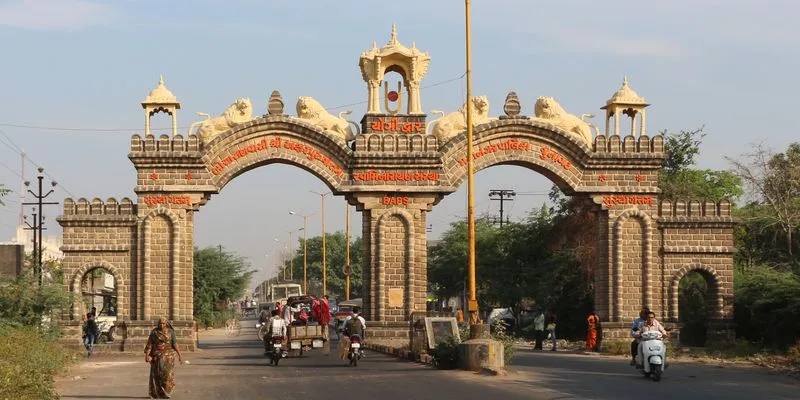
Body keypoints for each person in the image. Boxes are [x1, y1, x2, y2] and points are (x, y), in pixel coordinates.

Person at [144, 317, 183, 399]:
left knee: (167, 375)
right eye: (160, 323)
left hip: (169, 358)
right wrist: (147, 355)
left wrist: (180, 355)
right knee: (157, 376)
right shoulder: (154, 332)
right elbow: (149, 344)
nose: (162, 325)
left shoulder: (171, 332)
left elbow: (175, 344)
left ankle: (167, 392)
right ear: (158, 324)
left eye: (164, 323)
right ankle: (157, 393)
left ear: (166, 324)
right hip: (157, 357)